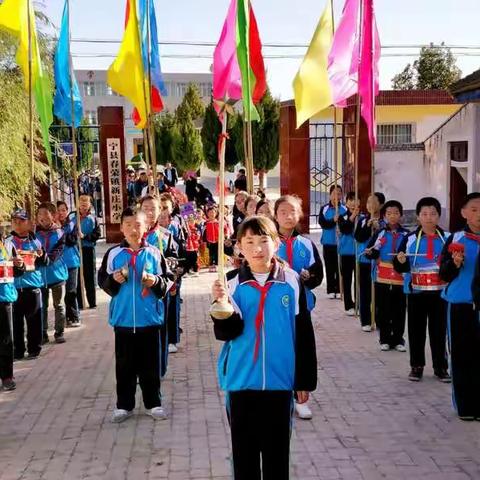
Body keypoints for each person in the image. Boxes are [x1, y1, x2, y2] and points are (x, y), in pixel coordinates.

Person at [211, 216, 317, 480]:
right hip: (241, 381)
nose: (257, 248)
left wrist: (304, 380)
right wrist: (221, 305)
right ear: (239, 247)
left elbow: (303, 332)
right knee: (244, 455)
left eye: (263, 240)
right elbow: (226, 333)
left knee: (277, 455)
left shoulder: (291, 282)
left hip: (280, 382)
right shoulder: (231, 283)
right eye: (249, 242)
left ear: (277, 243)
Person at [98, 208, 173, 423]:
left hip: (149, 320)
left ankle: (154, 403)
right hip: (122, 320)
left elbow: (166, 282)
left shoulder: (155, 254)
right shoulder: (113, 254)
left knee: (150, 366)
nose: (133, 228)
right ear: (121, 228)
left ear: (146, 227)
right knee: (124, 367)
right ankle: (124, 405)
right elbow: (103, 281)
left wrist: (155, 282)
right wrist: (114, 280)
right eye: (128, 224)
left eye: (138, 224)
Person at [274, 195, 323, 420]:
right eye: (283, 212)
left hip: (301, 307)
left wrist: (308, 277)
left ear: (300, 214)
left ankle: (301, 398)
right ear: (275, 215)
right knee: (277, 350)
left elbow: (317, 276)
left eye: (292, 212)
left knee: (302, 351)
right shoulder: (268, 242)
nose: (288, 216)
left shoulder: (306, 243)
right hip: (273, 308)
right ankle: (279, 395)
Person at [394, 197, 450, 382]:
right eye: (424, 214)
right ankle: (416, 366)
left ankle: (441, 367)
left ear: (439, 216)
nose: (429, 218)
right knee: (416, 329)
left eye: (433, 213)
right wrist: (400, 261)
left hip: (441, 292)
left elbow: (452, 266)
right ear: (418, 216)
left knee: (439, 330)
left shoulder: (448, 238)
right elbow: (399, 265)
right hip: (416, 291)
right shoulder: (409, 239)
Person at [442, 192, 480, 421]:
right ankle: (466, 406)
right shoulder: (456, 239)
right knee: (462, 355)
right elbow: (443, 273)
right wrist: (454, 264)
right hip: (461, 304)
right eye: (474, 209)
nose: (479, 215)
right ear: (464, 213)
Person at [366, 200, 409, 352]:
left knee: (399, 308)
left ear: (401, 215)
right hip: (382, 274)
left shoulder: (406, 235)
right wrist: (371, 253)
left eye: (396, 213)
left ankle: (398, 339)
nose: (392, 216)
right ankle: (384, 338)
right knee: (383, 308)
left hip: (399, 275)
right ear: (384, 216)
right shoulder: (380, 233)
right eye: (389, 213)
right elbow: (371, 250)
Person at [5, 209, 46, 360]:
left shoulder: (36, 240)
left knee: (34, 320)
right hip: (14, 287)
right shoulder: (7, 242)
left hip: (33, 285)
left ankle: (34, 348)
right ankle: (18, 350)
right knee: (15, 323)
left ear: (29, 223)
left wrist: (42, 255)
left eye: (21, 221)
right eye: (14, 221)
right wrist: (12, 262)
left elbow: (44, 262)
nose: (17, 224)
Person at [36, 202, 69, 344]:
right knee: (41, 307)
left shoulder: (60, 233)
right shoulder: (33, 235)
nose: (42, 217)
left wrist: (44, 258)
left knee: (59, 305)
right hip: (40, 276)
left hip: (57, 275)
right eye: (39, 214)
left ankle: (59, 332)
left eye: (45, 213)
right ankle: (42, 333)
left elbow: (56, 254)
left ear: (53, 215)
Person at [354, 192, 385, 331]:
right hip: (365, 260)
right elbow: (359, 238)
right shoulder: (362, 220)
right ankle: (366, 320)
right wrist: (367, 226)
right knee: (365, 291)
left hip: (380, 262)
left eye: (373, 202)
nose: (370, 205)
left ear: (381, 205)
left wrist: (378, 229)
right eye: (368, 202)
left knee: (379, 293)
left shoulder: (385, 222)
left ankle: (379, 319)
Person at [0, 232, 22, 391]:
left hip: (4, 297)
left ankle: (7, 376)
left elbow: (18, 271)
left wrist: (19, 264)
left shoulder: (7, 244)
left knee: (6, 339)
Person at [318, 185, 346, 299]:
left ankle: (339, 289)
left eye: (339, 193)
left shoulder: (344, 209)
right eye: (334, 193)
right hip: (328, 242)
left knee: (339, 267)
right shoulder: (324, 208)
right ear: (330, 194)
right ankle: (330, 289)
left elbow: (346, 226)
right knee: (329, 267)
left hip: (341, 243)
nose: (337, 196)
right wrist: (333, 220)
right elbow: (323, 224)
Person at [57, 202, 81, 328]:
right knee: (61, 294)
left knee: (71, 290)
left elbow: (72, 241)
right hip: (58, 264)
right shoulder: (53, 227)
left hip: (72, 261)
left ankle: (75, 316)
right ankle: (66, 317)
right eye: (58, 210)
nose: (61, 213)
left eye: (63, 210)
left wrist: (61, 234)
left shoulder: (72, 224)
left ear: (67, 211)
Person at [338, 192, 360, 316]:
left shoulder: (363, 218)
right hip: (346, 252)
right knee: (347, 279)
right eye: (350, 200)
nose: (353, 203)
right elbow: (345, 229)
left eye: (356, 200)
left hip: (359, 253)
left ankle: (359, 303)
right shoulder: (342, 217)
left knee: (359, 279)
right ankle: (348, 305)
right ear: (346, 203)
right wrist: (352, 217)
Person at [77, 195, 101, 310]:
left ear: (89, 205)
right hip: (76, 250)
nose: (83, 205)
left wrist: (85, 236)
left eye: (86, 203)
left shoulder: (93, 218)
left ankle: (92, 302)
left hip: (88, 249)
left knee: (90, 276)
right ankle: (80, 302)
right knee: (78, 276)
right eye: (81, 203)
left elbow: (97, 234)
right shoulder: (73, 217)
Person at [203, 206, 220, 273]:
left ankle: (217, 265)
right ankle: (211, 265)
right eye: (210, 212)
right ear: (207, 214)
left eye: (213, 212)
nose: (211, 214)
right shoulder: (206, 223)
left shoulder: (218, 222)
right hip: (209, 241)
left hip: (217, 241)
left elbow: (223, 231)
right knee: (211, 254)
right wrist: (204, 241)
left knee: (217, 254)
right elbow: (204, 233)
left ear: (216, 213)